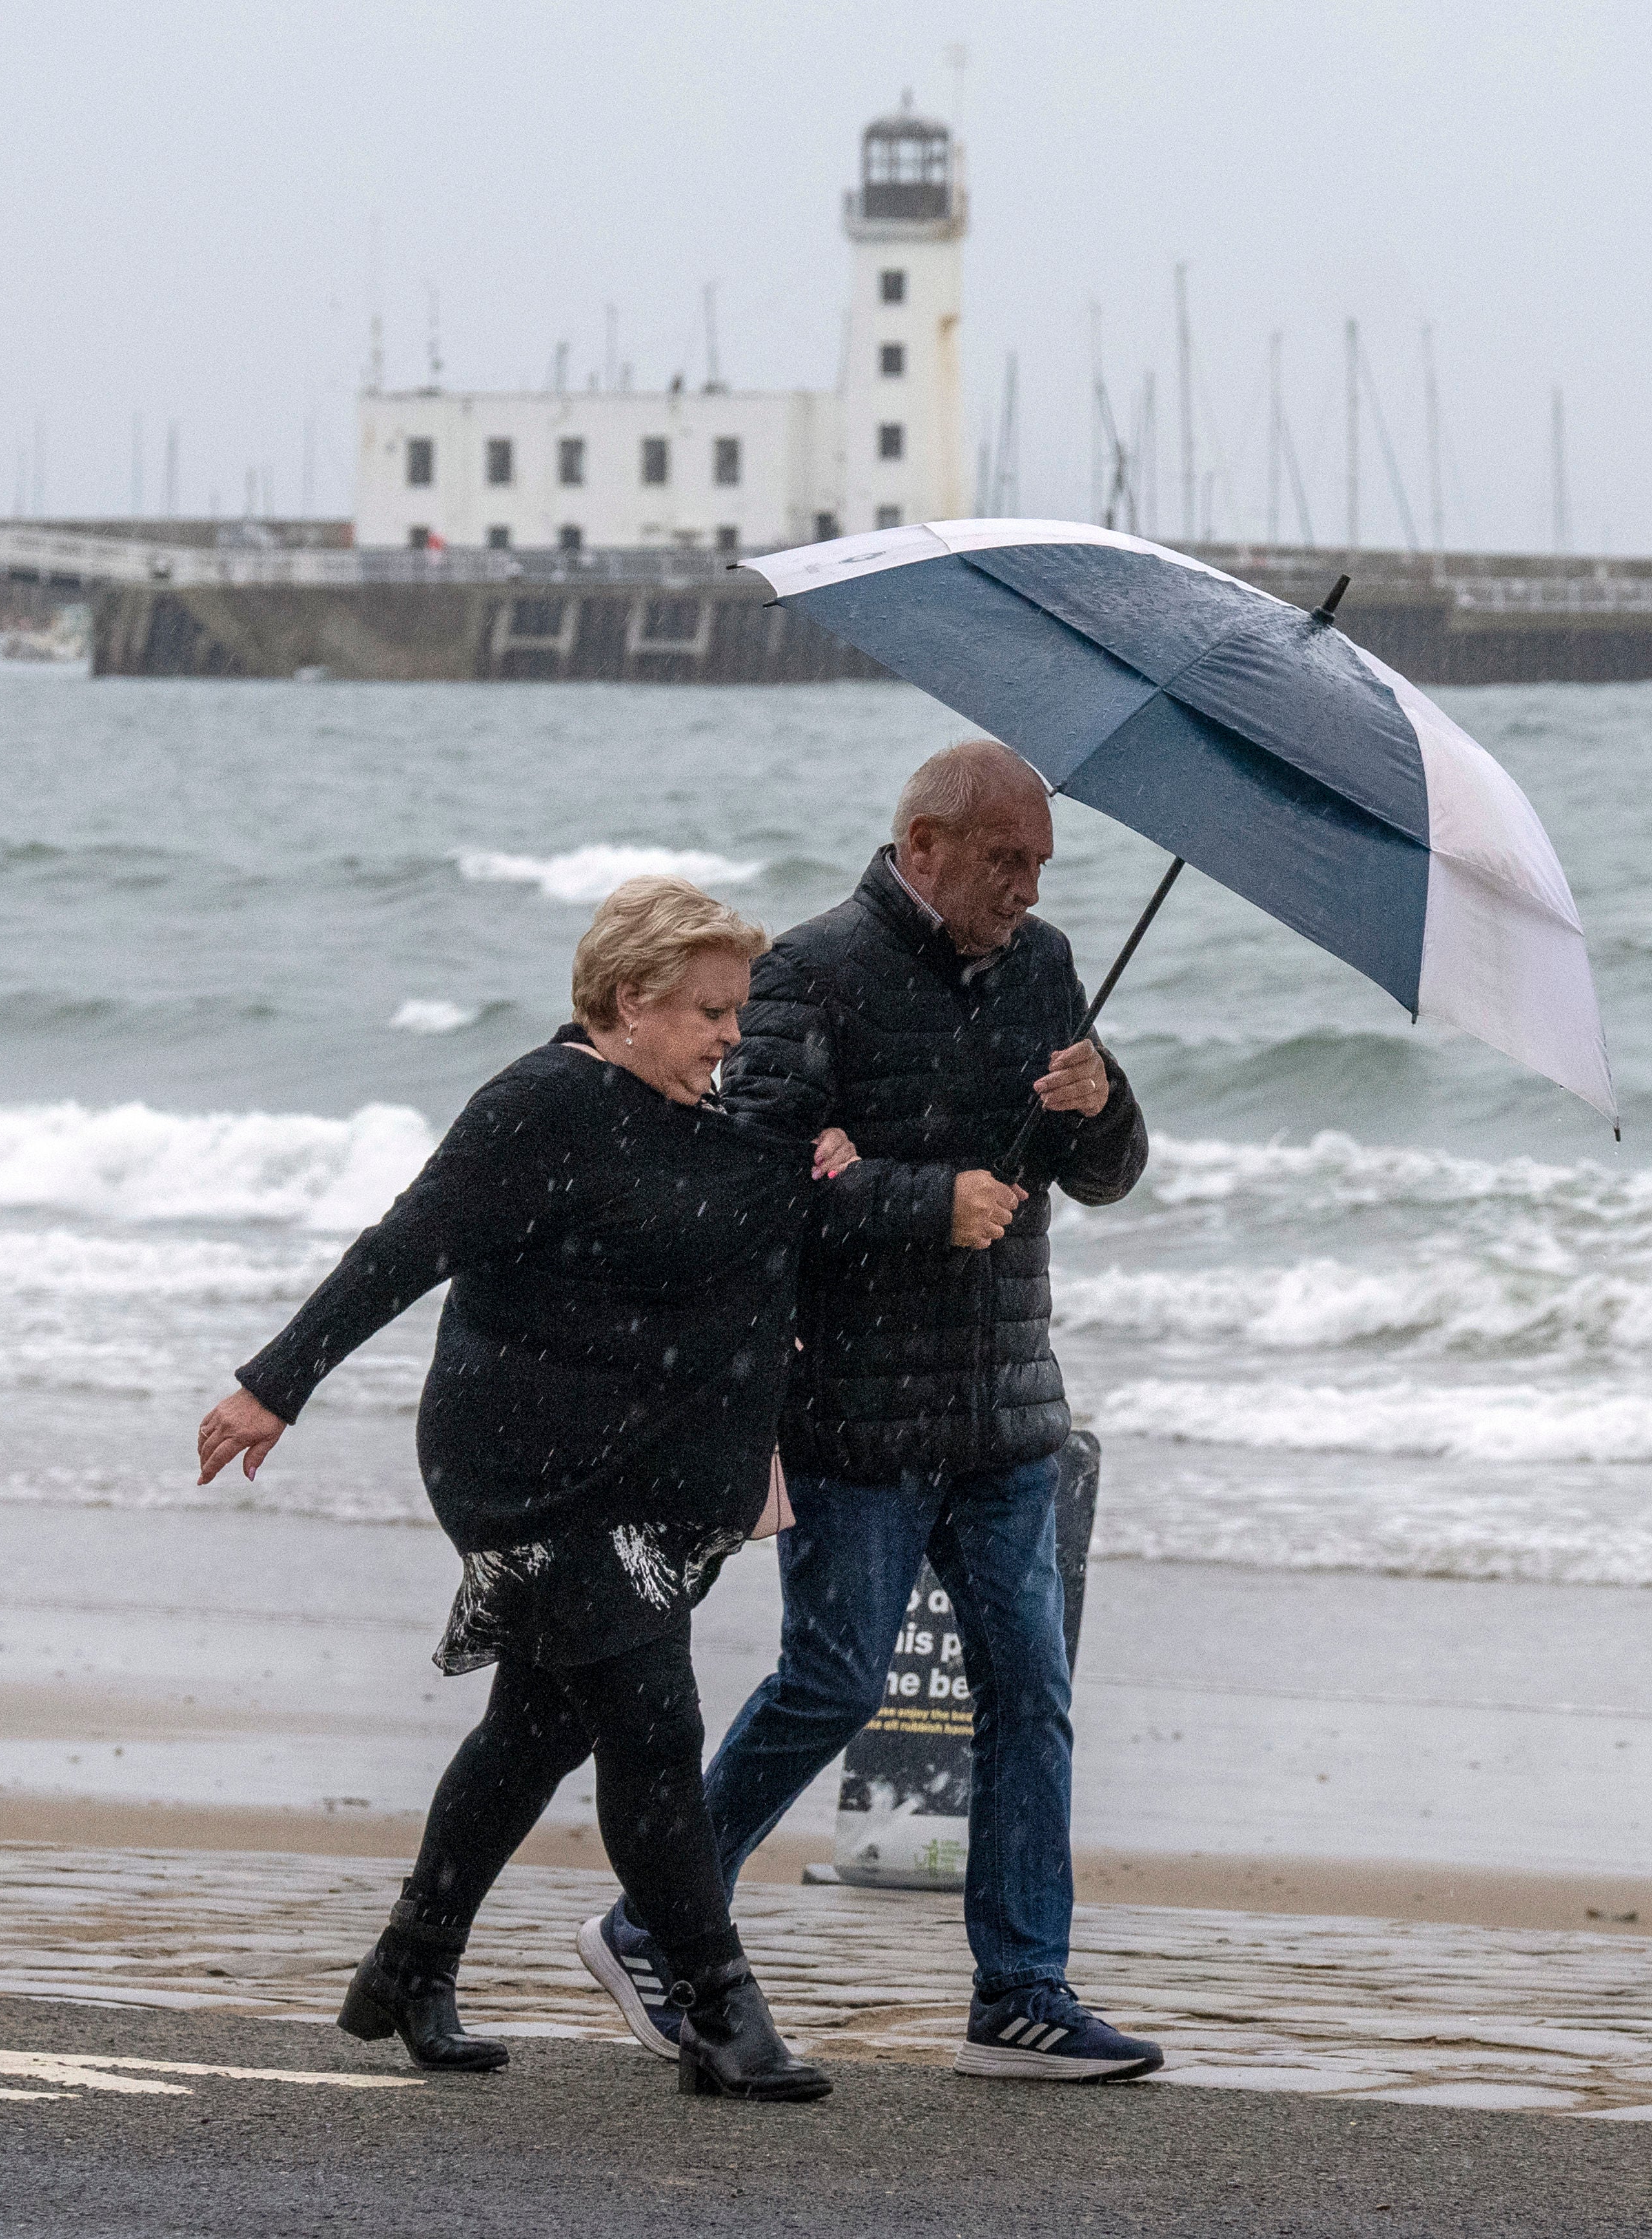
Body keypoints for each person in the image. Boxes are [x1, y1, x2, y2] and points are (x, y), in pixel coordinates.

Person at [196, 877, 873, 2104]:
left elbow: (726, 1213)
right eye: (711, 1013)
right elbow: (405, 1247)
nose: (733, 1037)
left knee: (539, 1727)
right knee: (655, 1727)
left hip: (633, 1470)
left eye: (739, 1013)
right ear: (629, 1001)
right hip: (525, 1467)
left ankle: (410, 1962)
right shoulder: (539, 1103)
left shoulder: (693, 1114)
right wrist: (274, 1385)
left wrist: (831, 1169)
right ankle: (717, 2010)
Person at [581, 742, 1165, 2083]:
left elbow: (1111, 1174)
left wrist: (1101, 1104)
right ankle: (653, 1925)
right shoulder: (810, 971)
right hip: (856, 1416)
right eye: (1004, 861)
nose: (1025, 888)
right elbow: (749, 1185)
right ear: (924, 846)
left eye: (1040, 867)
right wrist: (923, 1198)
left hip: (1010, 1409)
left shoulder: (1048, 965)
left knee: (1032, 1694)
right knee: (832, 1682)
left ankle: (1020, 1991)